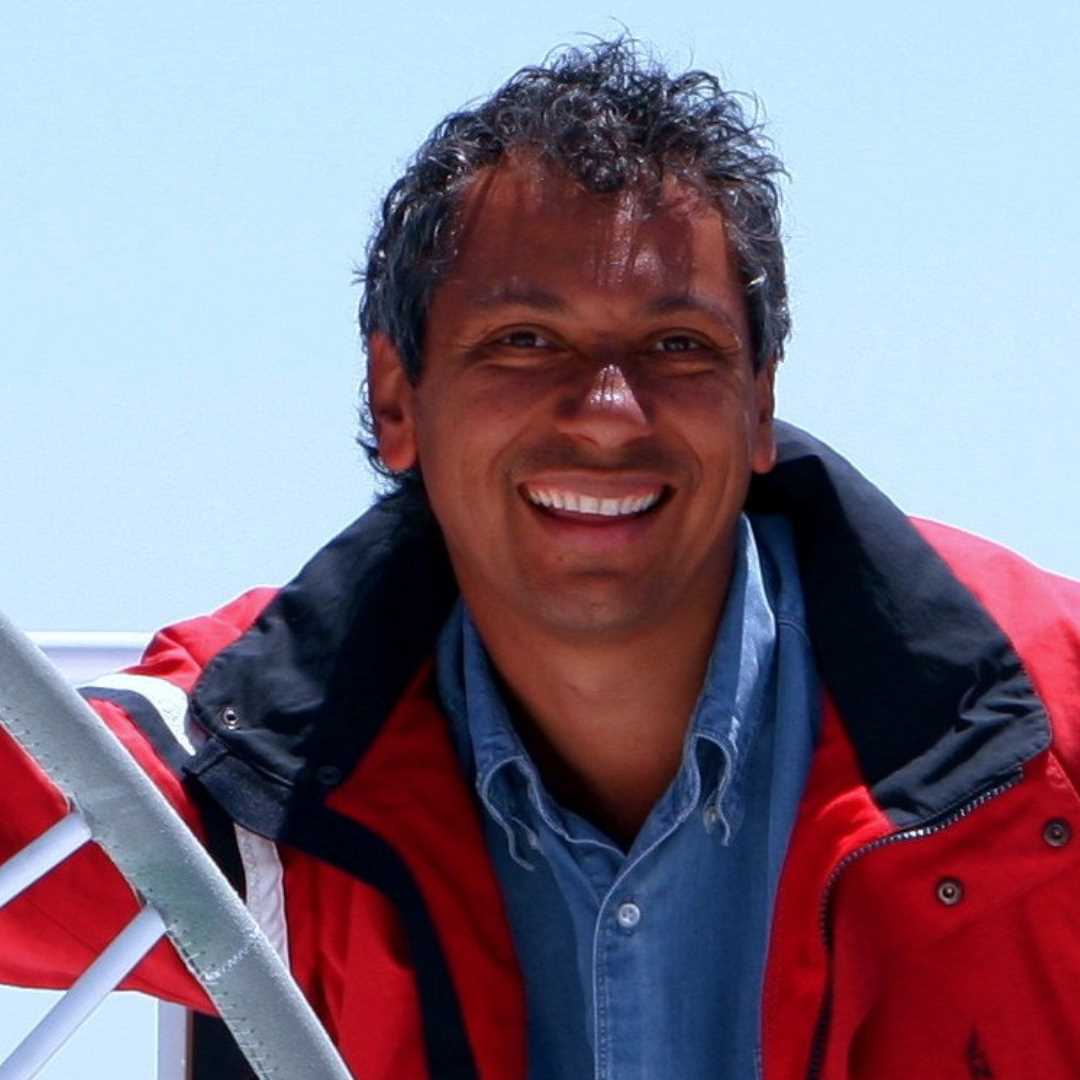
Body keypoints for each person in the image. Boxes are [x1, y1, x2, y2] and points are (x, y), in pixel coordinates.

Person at [2, 37, 1080, 1080]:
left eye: (677, 346)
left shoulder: (1049, 738)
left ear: (759, 403)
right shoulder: (258, 753)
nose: (609, 411)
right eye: (525, 341)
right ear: (397, 398)